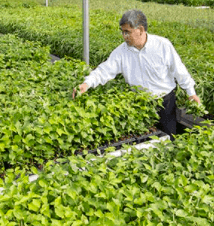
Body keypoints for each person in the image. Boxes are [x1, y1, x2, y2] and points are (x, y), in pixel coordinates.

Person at [73, 9, 201, 138]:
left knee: (168, 138)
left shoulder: (162, 45)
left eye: (127, 32)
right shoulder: (121, 51)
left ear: (140, 30)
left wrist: (191, 93)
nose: (124, 36)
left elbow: (179, 70)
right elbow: (104, 70)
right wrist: (86, 84)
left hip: (165, 103)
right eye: (122, 32)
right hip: (140, 104)